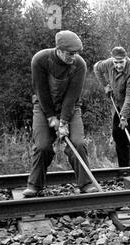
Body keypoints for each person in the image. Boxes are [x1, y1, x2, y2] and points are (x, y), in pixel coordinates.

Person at [23, 30, 98, 197]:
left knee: (78, 143)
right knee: (42, 146)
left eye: (76, 53)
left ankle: (85, 183)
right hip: (43, 107)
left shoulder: (79, 64)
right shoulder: (40, 60)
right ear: (59, 49)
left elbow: (72, 96)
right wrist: (51, 117)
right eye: (70, 54)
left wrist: (63, 122)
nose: (74, 57)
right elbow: (41, 91)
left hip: (71, 108)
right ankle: (35, 185)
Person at [94, 46, 130, 167]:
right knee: (118, 135)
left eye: (121, 62)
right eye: (116, 62)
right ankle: (124, 168)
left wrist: (124, 117)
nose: (118, 65)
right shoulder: (108, 63)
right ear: (112, 60)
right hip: (118, 105)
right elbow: (97, 68)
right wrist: (105, 85)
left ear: (126, 59)